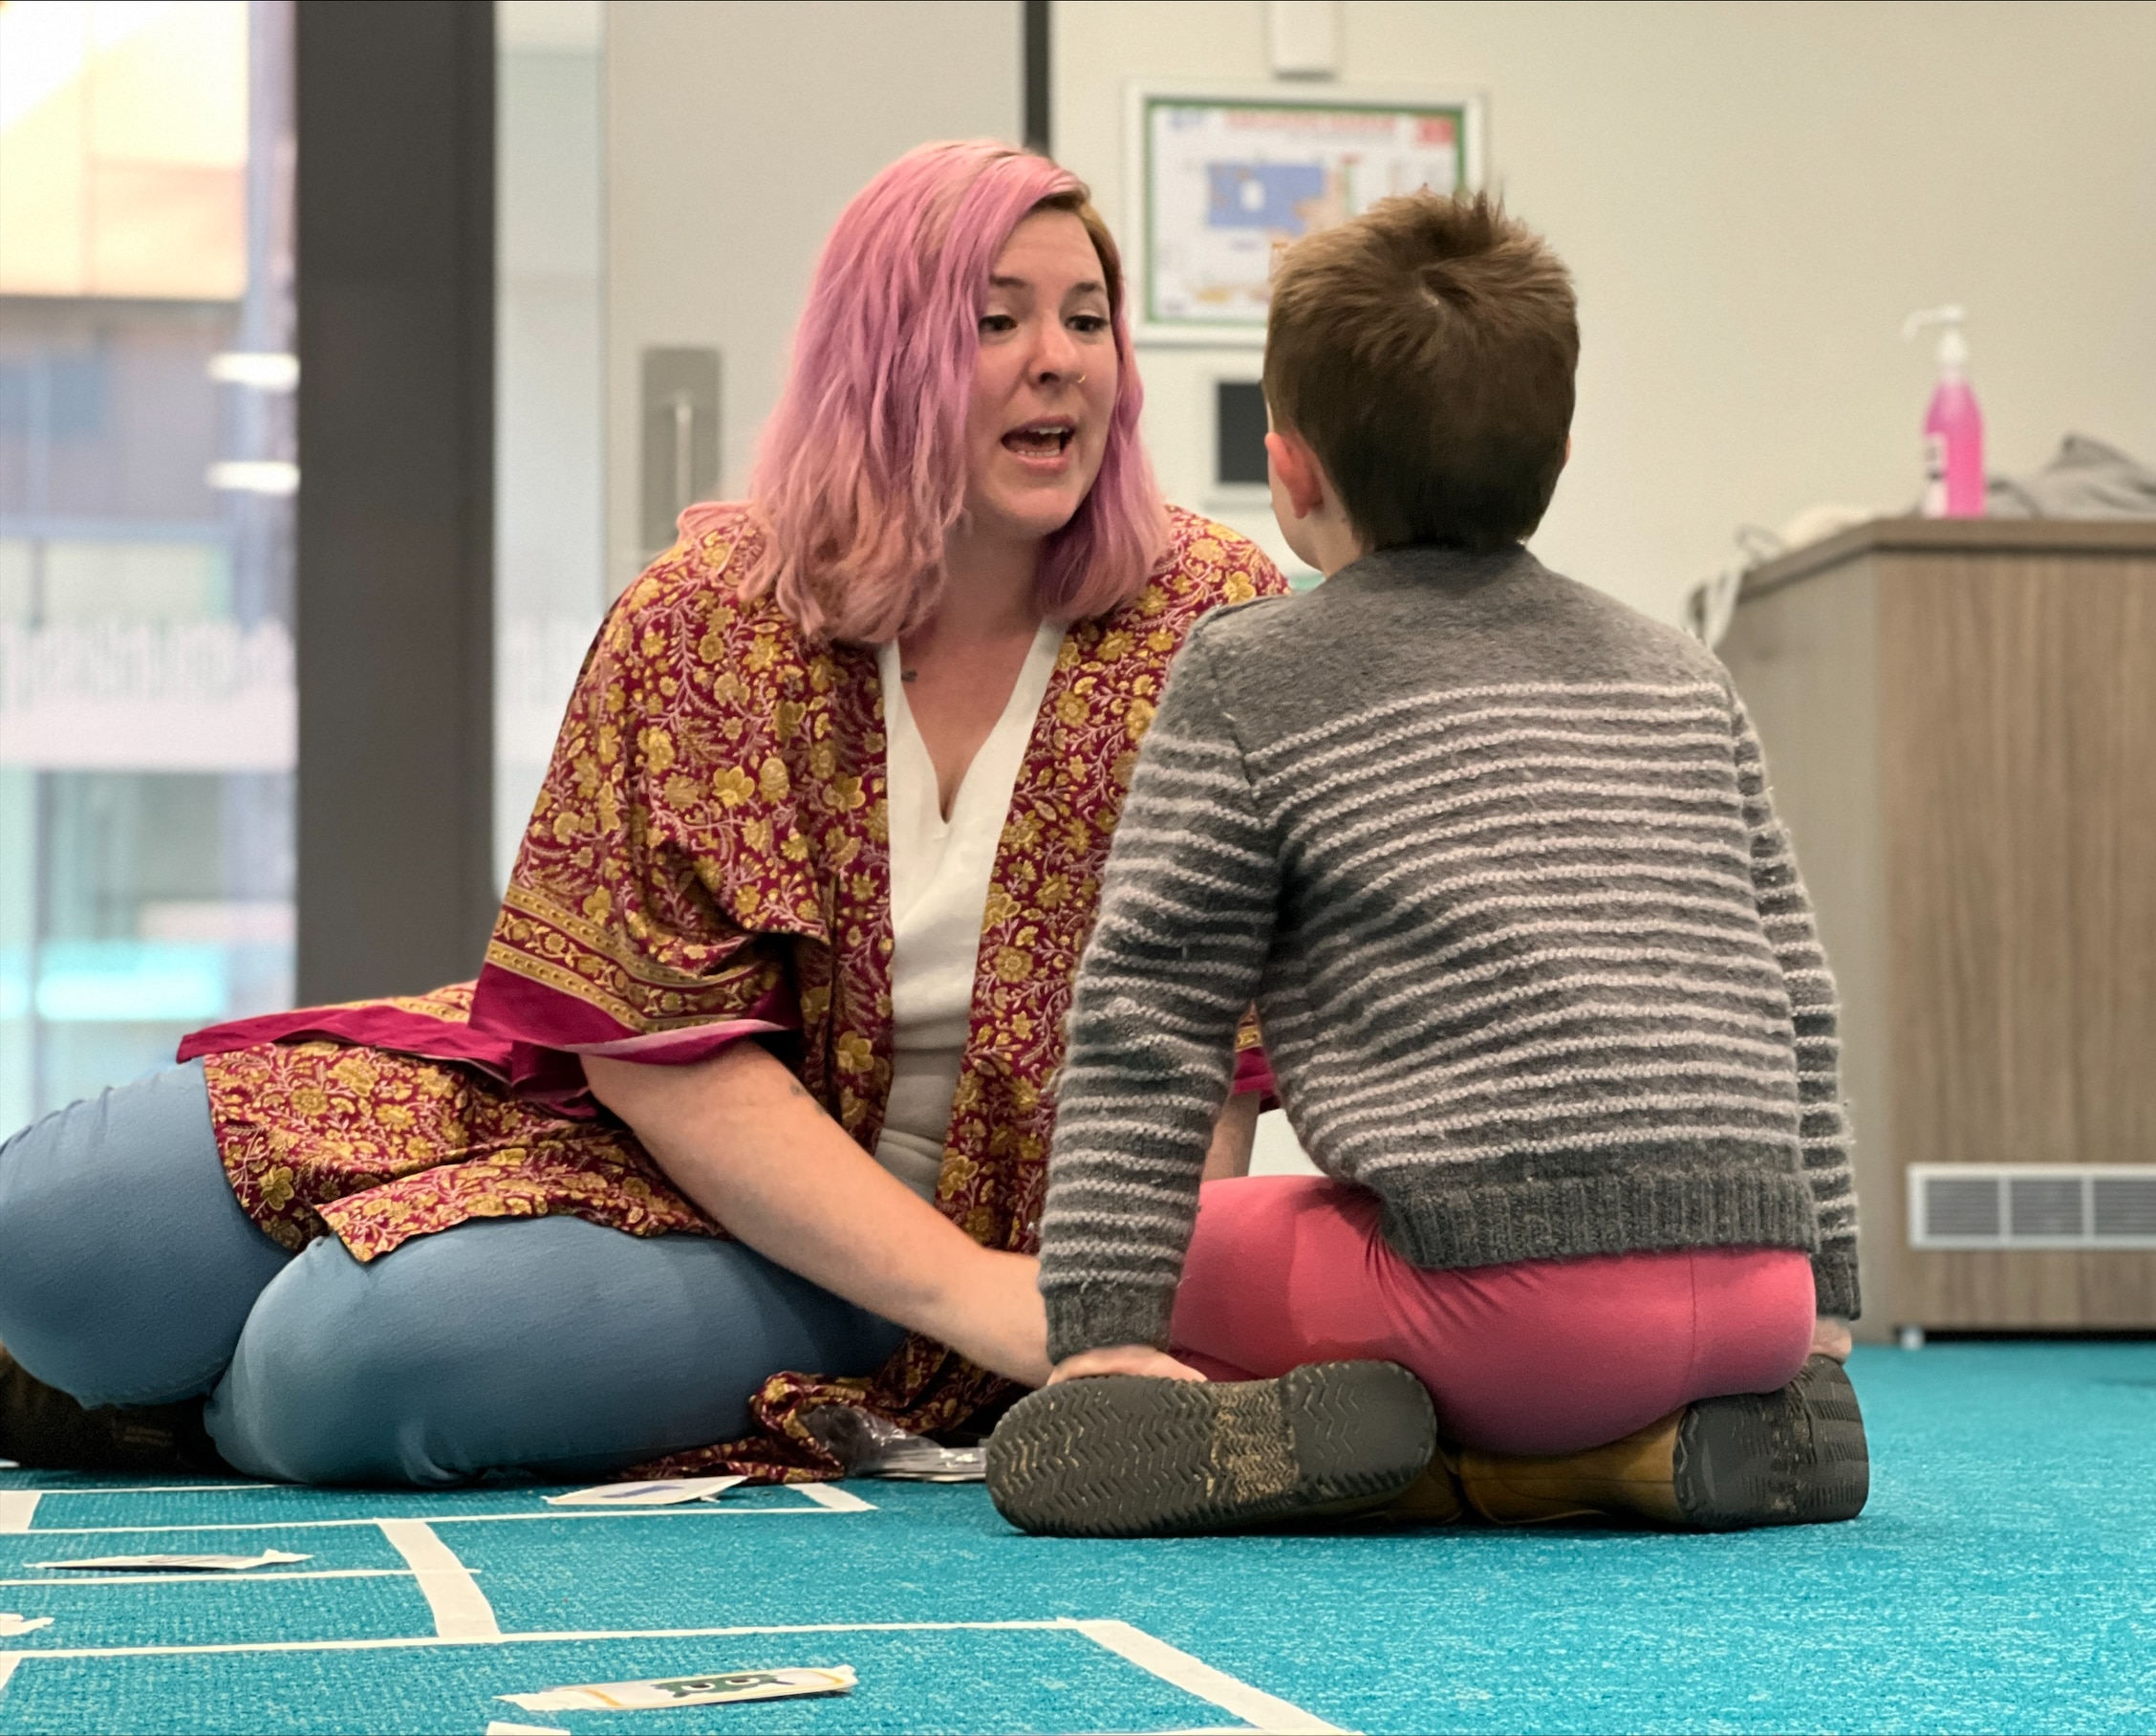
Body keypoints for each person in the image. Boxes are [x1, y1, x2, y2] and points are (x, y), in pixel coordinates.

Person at [0, 141, 1284, 1486]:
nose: (1062, 358)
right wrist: (983, 1294)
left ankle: (173, 1415)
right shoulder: (711, 611)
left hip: (928, 1258)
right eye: (995, 320)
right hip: (648, 1128)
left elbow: (1215, 1043)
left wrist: (1092, 1316)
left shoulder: (1210, 621)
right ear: (885, 352)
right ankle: (151, 1368)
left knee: (346, 1366)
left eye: (1089, 318)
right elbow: (653, 1049)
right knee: (57, 1232)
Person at [986, 190, 1868, 1538]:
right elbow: (1798, 1001)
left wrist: (1102, 1336)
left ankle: (1404, 1456)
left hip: (1506, 1315)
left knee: (1207, 1248)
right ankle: (1625, 1458)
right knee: (1489, 1274)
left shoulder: (1248, 673)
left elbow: (1149, 1013)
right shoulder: (1681, 671)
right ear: (1559, 449)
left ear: (1290, 469)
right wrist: (1826, 1309)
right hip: (1762, 1303)